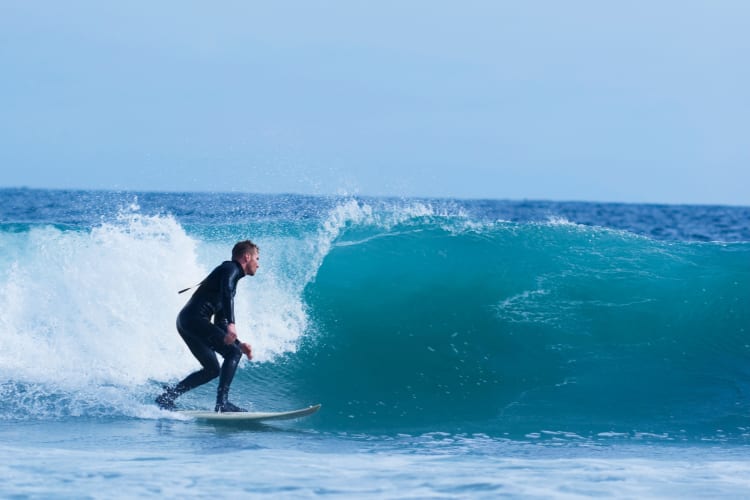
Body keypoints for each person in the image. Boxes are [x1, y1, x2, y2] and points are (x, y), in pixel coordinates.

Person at [156, 240, 258, 412]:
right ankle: (222, 403)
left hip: (187, 322)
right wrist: (233, 326)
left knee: (212, 369)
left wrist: (238, 343)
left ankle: (167, 397)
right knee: (233, 354)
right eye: (257, 258)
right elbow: (226, 293)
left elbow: (220, 322)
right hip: (194, 319)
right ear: (247, 257)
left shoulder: (230, 279)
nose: (258, 264)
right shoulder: (230, 269)